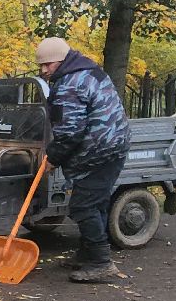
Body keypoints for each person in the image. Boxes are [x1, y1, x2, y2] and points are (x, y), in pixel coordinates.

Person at [36, 37, 131, 283]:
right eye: (41, 66)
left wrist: (53, 157)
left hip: (98, 151)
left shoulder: (69, 84)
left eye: (49, 64)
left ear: (62, 60)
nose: (44, 70)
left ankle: (101, 263)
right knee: (96, 203)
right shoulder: (89, 71)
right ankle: (87, 254)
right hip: (112, 147)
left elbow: (70, 131)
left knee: (83, 206)